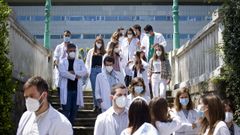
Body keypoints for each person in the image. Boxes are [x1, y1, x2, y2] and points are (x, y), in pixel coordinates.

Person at [58, 43, 87, 124]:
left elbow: (84, 72)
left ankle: (70, 129)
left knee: (74, 111)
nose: (73, 52)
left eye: (74, 51)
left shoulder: (80, 61)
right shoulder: (62, 62)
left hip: (76, 90)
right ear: (66, 51)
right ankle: (65, 129)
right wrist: (75, 76)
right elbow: (63, 73)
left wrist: (73, 72)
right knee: (66, 110)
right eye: (70, 51)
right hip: (66, 90)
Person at [85, 35, 106, 111]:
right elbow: (87, 62)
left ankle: (101, 105)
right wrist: (87, 71)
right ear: (95, 42)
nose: (99, 43)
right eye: (97, 42)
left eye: (100, 42)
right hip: (93, 71)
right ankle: (96, 105)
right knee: (94, 89)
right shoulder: (91, 51)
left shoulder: (104, 52)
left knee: (101, 89)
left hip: (101, 70)